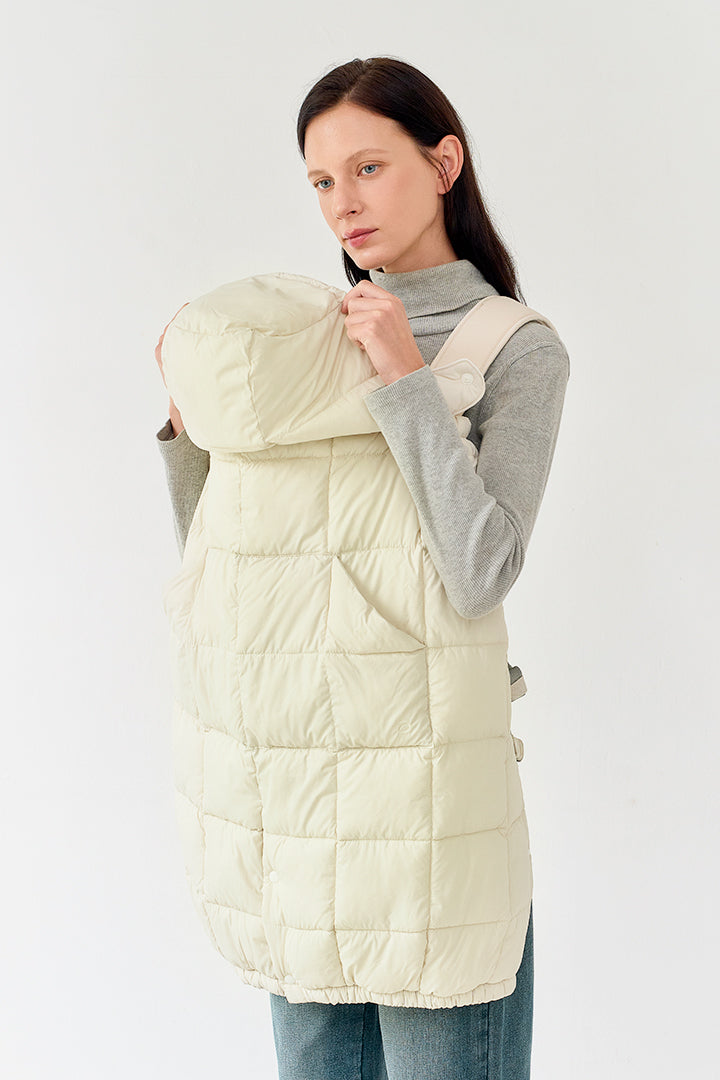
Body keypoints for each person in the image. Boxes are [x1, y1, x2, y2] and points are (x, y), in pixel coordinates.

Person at [155, 56, 569, 1080]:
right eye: (321, 181)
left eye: (369, 167)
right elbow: (235, 585)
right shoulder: (299, 340)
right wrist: (187, 430)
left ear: (444, 163)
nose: (344, 203)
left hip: (432, 817)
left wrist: (406, 381)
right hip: (298, 811)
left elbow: (481, 570)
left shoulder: (513, 345)